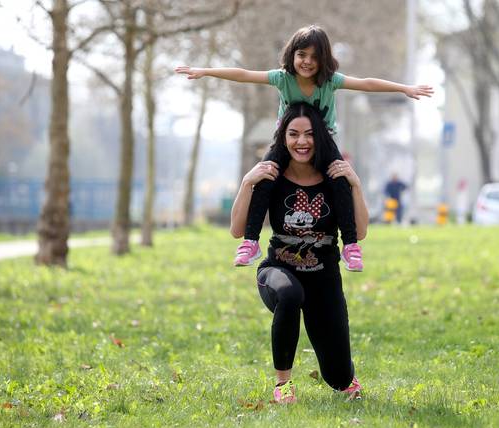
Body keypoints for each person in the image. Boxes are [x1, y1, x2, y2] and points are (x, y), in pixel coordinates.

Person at [176, 25, 433, 272]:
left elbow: (366, 83)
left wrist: (404, 89)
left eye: (314, 56)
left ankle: (351, 246)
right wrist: (206, 71)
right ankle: (250, 242)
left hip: (324, 143)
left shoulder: (330, 81)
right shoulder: (282, 78)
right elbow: (243, 75)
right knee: (265, 176)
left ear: (323, 60)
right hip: (283, 142)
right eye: (301, 55)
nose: (307, 61)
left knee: (340, 180)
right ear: (292, 55)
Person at [229, 102, 369, 403]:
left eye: (309, 134)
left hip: (324, 279)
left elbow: (361, 231)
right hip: (278, 270)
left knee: (338, 378)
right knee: (290, 295)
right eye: (293, 134)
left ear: (320, 137)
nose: (301, 141)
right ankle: (283, 385)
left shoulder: (333, 177)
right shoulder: (271, 176)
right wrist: (246, 182)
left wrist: (355, 184)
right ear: (283, 137)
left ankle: (345, 373)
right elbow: (237, 230)